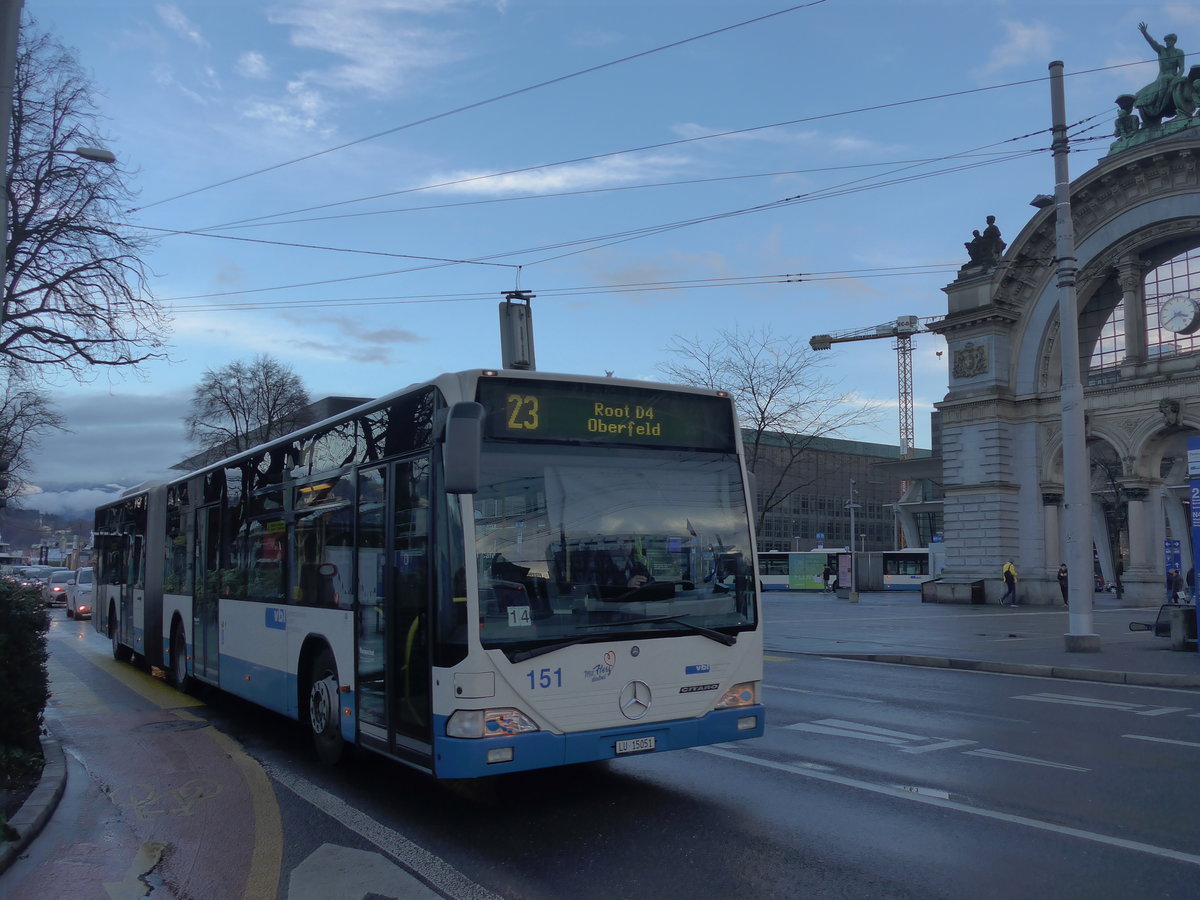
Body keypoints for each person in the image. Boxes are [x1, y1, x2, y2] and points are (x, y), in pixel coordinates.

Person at [1134, 23, 1185, 126]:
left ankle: (1159, 105)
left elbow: (1182, 67)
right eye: (1166, 41)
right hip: (1160, 78)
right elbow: (1152, 43)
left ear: (1174, 41)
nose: (1167, 42)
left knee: (1163, 79)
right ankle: (1151, 114)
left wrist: (1177, 78)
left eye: (1169, 40)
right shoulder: (1161, 50)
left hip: (1172, 76)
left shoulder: (1179, 52)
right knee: (1139, 94)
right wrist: (1145, 33)